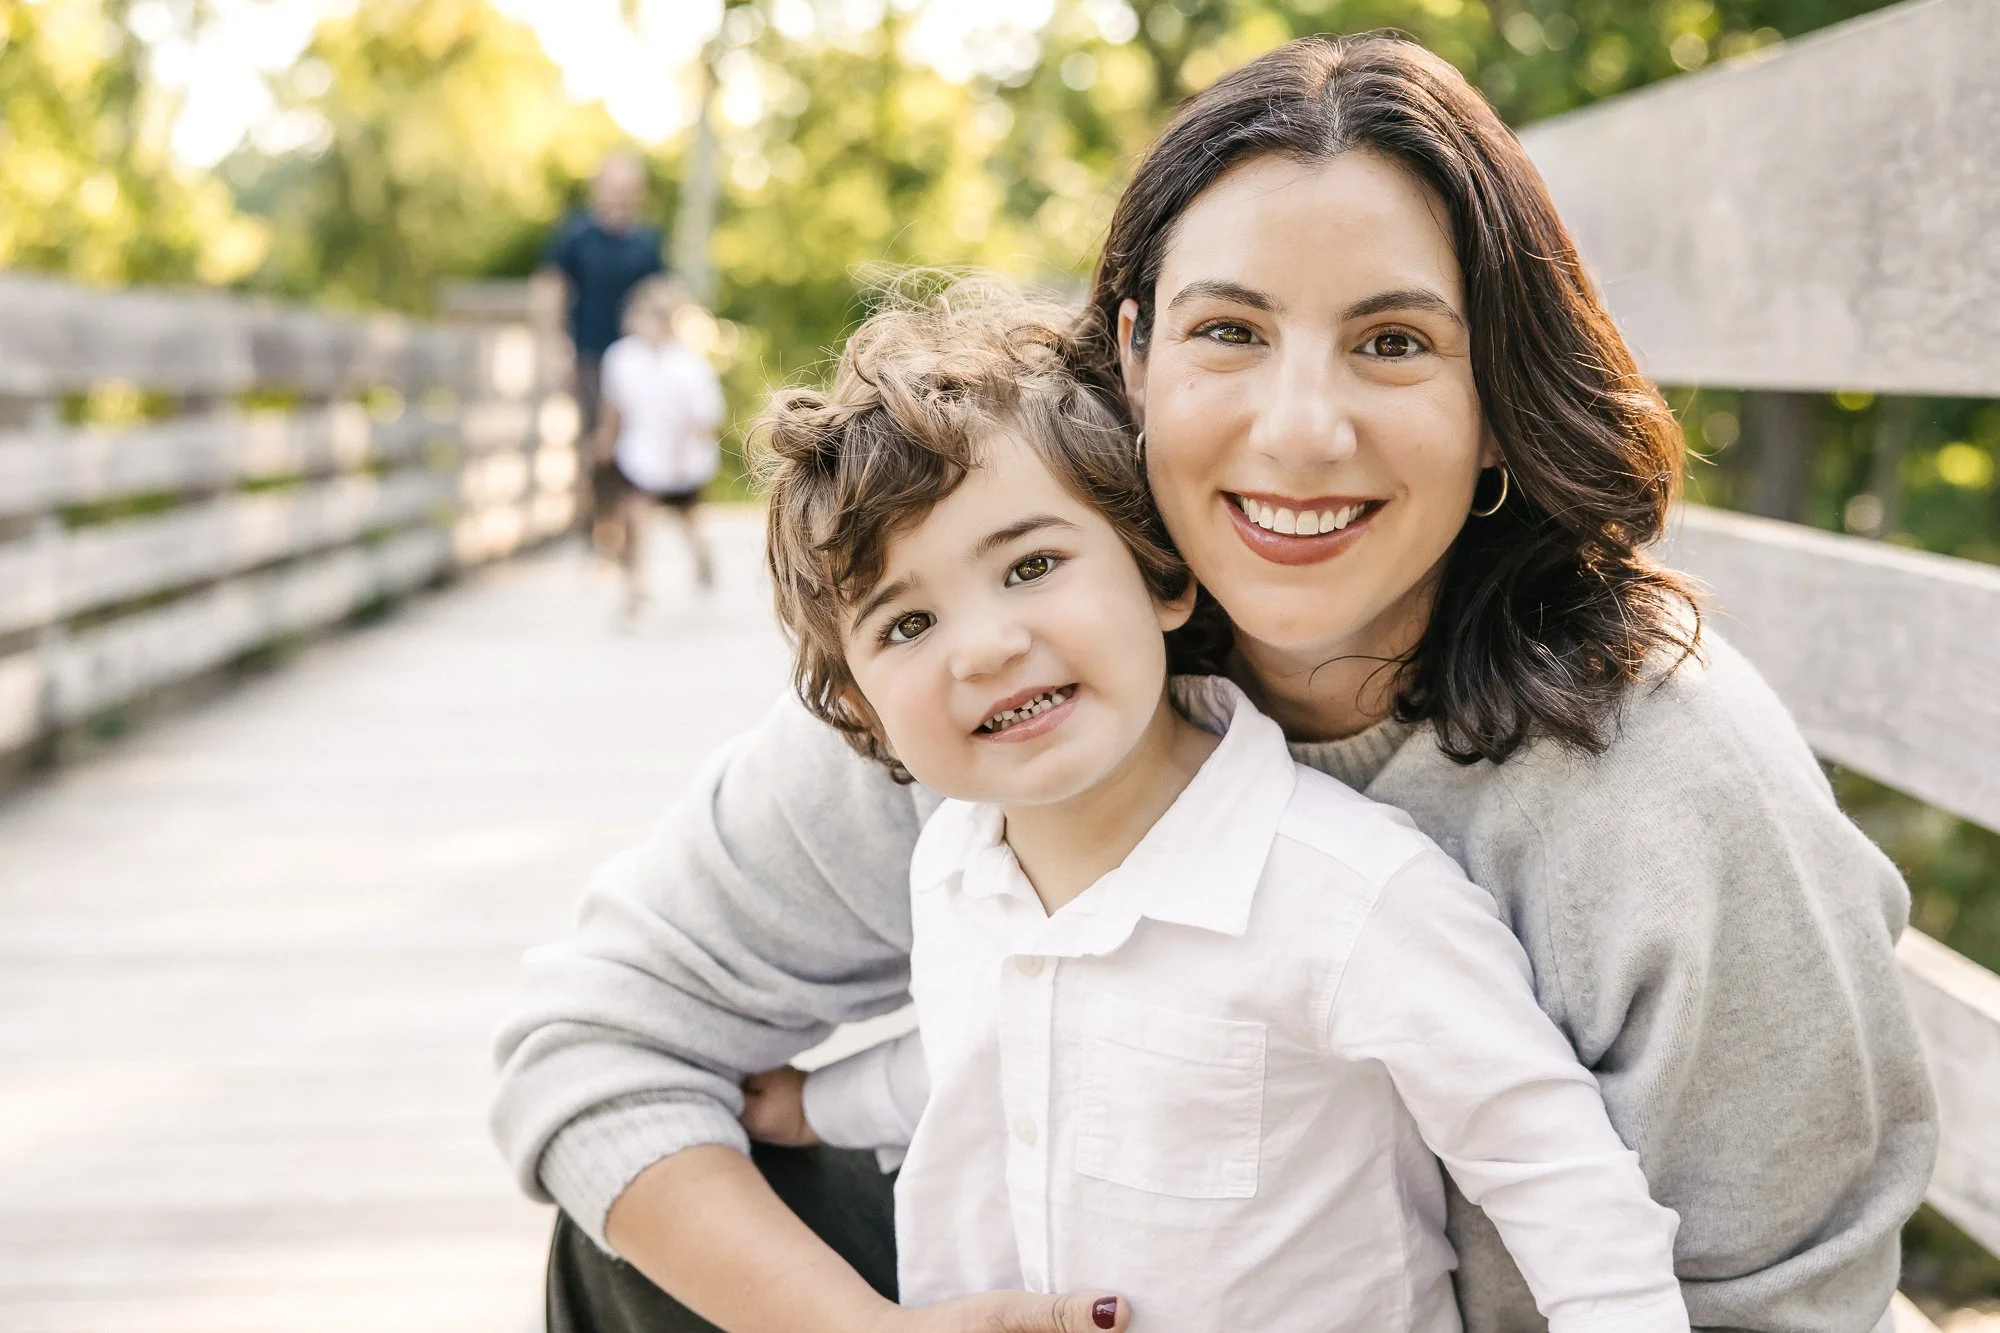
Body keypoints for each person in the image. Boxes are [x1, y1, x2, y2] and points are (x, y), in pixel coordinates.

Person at [493, 33, 1937, 1333]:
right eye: (1229, 331)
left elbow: (1778, 1306)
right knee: (642, 1242)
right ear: (1132, 358)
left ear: (1499, 398)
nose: (1300, 431)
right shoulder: (1009, 675)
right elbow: (596, 1040)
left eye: (1392, 343)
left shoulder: (1670, 798)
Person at [730, 282, 1691, 1333]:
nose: (985, 646)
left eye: (1032, 565)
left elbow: (1553, 1171)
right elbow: (984, 1054)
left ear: (1161, 580)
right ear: (863, 709)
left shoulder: (1344, 895)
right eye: (905, 624)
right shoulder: (956, 867)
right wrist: (811, 1106)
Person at [540, 152, 667, 540]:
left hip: (635, 361)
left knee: (632, 442)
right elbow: (552, 290)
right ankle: (595, 528)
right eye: (614, 188)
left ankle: (623, 527)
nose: (620, 197)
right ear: (598, 190)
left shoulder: (646, 242)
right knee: (596, 442)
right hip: (589, 354)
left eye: (628, 190)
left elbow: (661, 297)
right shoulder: (575, 237)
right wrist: (554, 345)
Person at [595, 277, 726, 621]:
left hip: (681, 459)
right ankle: (636, 590)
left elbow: (702, 417)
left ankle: (701, 554)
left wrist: (685, 453)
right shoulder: (623, 357)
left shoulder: (687, 365)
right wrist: (606, 439)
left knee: (688, 516)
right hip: (640, 456)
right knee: (634, 520)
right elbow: (614, 404)